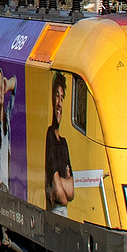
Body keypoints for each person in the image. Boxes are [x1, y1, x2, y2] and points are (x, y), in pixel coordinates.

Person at [45, 72, 75, 215]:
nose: (59, 103)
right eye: (57, 96)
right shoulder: (49, 135)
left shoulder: (64, 142)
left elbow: (71, 193)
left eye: (62, 98)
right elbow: (62, 197)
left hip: (64, 211)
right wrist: (65, 180)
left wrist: (60, 182)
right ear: (52, 99)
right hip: (55, 210)